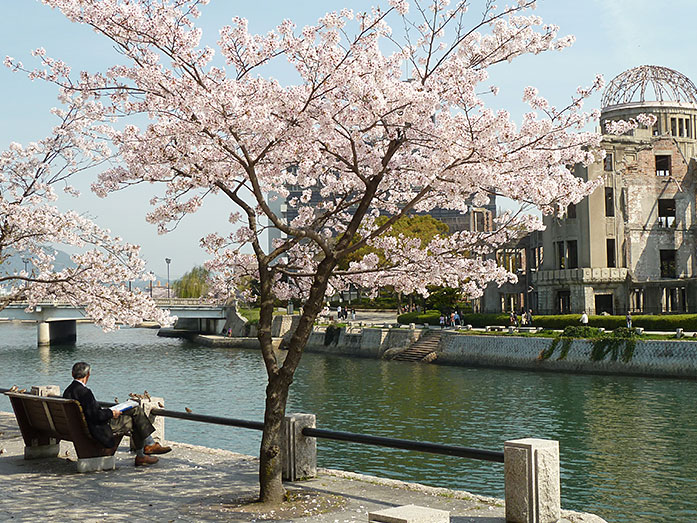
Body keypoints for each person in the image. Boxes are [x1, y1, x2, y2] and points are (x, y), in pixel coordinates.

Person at [63, 362, 171, 467]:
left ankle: (148, 447)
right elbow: (96, 416)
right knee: (134, 416)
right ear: (88, 375)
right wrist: (111, 413)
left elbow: (90, 413)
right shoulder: (85, 392)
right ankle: (144, 451)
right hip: (96, 428)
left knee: (134, 410)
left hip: (78, 428)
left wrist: (109, 411)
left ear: (73, 374)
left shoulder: (68, 391)